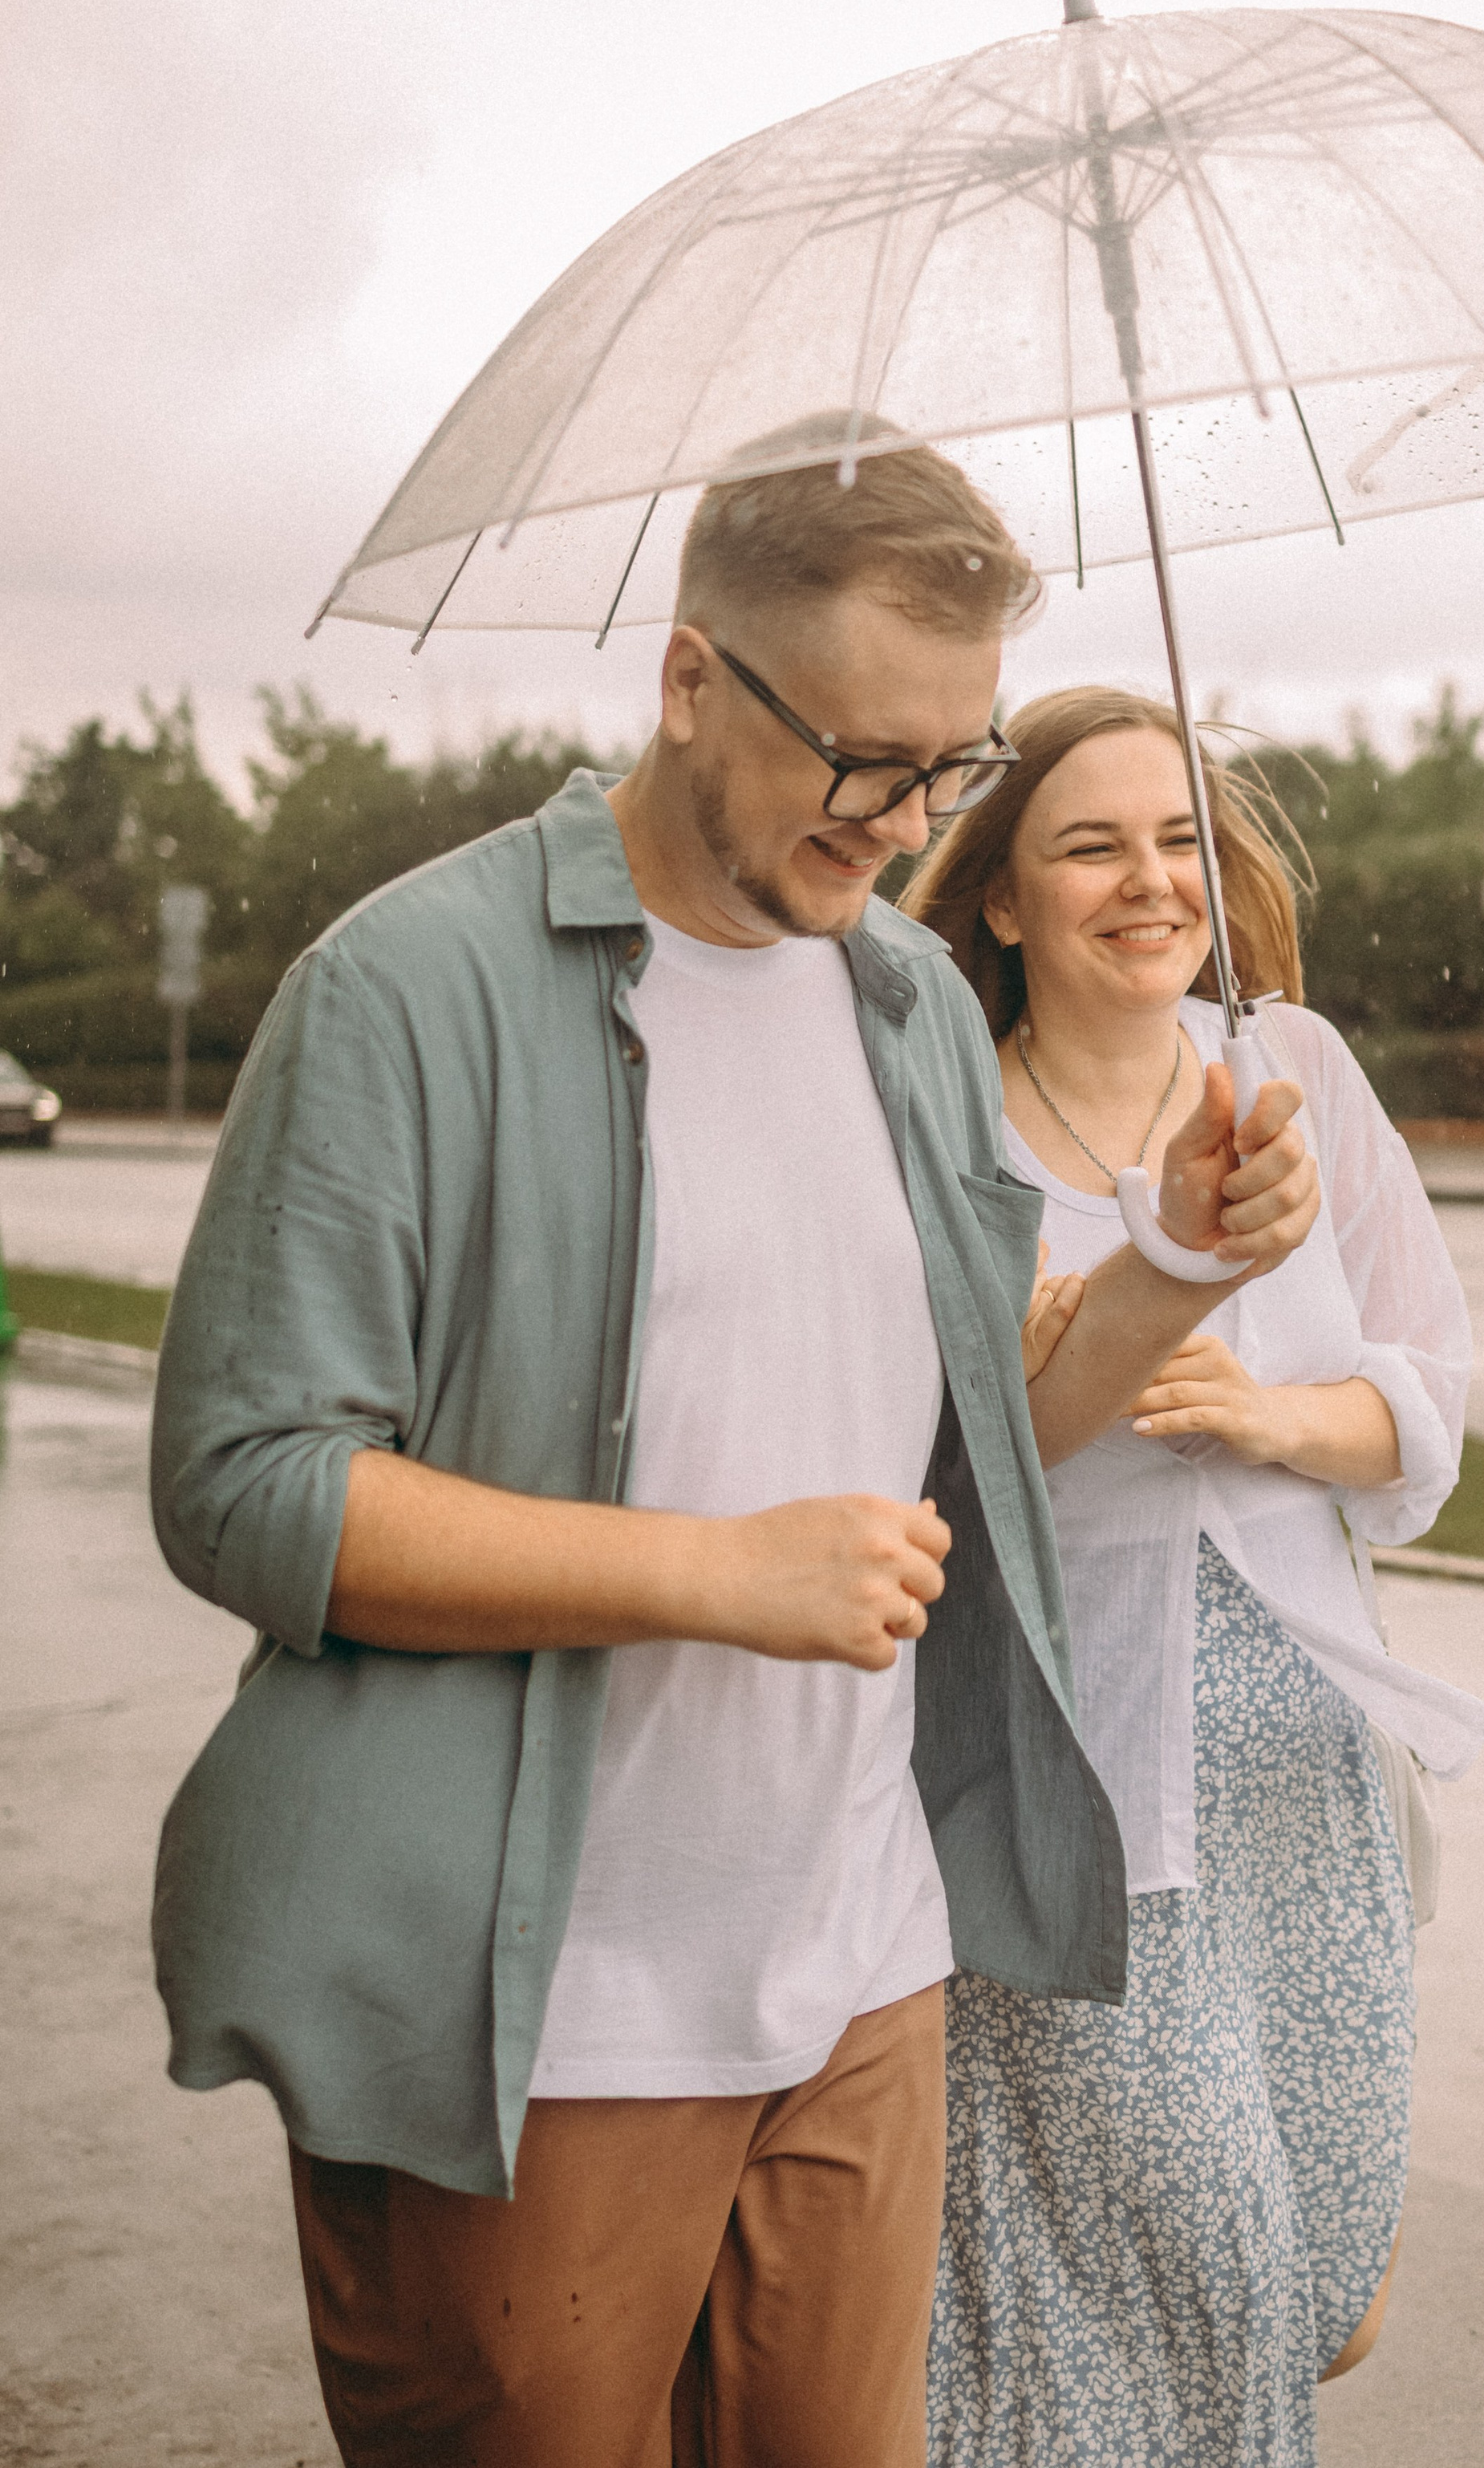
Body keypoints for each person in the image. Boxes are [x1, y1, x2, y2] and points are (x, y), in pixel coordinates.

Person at [148, 439, 1324, 2468]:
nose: (904, 819)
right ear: (689, 677)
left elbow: (971, 1442)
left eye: (948, 768)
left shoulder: (903, 1005)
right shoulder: (403, 989)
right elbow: (246, 1483)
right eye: (860, 755)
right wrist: (708, 1568)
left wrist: (1165, 1264)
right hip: (537, 2016)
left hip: (861, 1965)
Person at [902, 687, 1484, 2468]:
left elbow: (1428, 1405)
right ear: (1001, 900)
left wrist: (1266, 1415)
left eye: (1175, 838)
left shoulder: (1289, 1069)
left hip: (1304, 1779)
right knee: (1191, 2286)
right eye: (1088, 845)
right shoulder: (953, 1122)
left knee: (1319, 2287)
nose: (1147, 879)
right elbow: (954, 1462)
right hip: (1087, 1788)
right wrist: (1107, 1319)